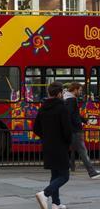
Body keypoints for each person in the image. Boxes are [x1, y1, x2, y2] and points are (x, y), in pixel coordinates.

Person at [34, 81, 73, 209]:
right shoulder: (62, 108)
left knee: (55, 175)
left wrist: (46, 137)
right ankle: (45, 194)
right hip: (60, 146)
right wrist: (68, 142)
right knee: (64, 176)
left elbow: (35, 128)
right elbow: (67, 130)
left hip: (48, 145)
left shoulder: (43, 107)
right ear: (59, 93)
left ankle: (56, 203)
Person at [63, 82, 100, 179]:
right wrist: (79, 123)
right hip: (75, 130)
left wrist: (84, 120)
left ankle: (65, 168)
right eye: (79, 90)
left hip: (72, 129)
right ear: (74, 90)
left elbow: (74, 114)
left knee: (73, 149)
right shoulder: (71, 100)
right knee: (82, 151)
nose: (80, 92)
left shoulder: (68, 98)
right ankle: (92, 172)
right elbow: (71, 115)